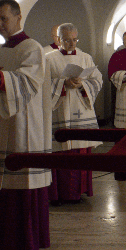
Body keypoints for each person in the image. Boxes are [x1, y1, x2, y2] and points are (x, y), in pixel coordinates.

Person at [0, 0, 52, 250]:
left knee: (18, 192)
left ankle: (20, 248)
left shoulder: (32, 48)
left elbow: (28, 81)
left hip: (21, 128)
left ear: (18, 17)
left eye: (3, 18)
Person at [46, 23, 103, 204]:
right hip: (60, 111)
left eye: (74, 39)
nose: (71, 43)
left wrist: (82, 84)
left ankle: (79, 191)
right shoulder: (48, 59)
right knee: (61, 152)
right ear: (58, 39)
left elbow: (97, 79)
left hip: (81, 111)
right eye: (67, 40)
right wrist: (63, 84)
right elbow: (41, 84)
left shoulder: (85, 57)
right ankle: (59, 194)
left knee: (80, 152)